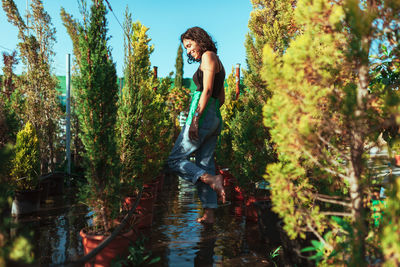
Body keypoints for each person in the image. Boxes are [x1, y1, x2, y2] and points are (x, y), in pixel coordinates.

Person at [167, 27, 226, 224]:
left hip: (203, 116)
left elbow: (207, 90)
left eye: (190, 45)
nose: (189, 51)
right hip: (214, 116)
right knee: (204, 165)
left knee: (175, 160)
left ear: (200, 40)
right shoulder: (218, 62)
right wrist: (211, 116)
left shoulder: (208, 57)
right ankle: (209, 215)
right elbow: (221, 97)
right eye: (186, 48)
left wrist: (195, 119)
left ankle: (212, 180)